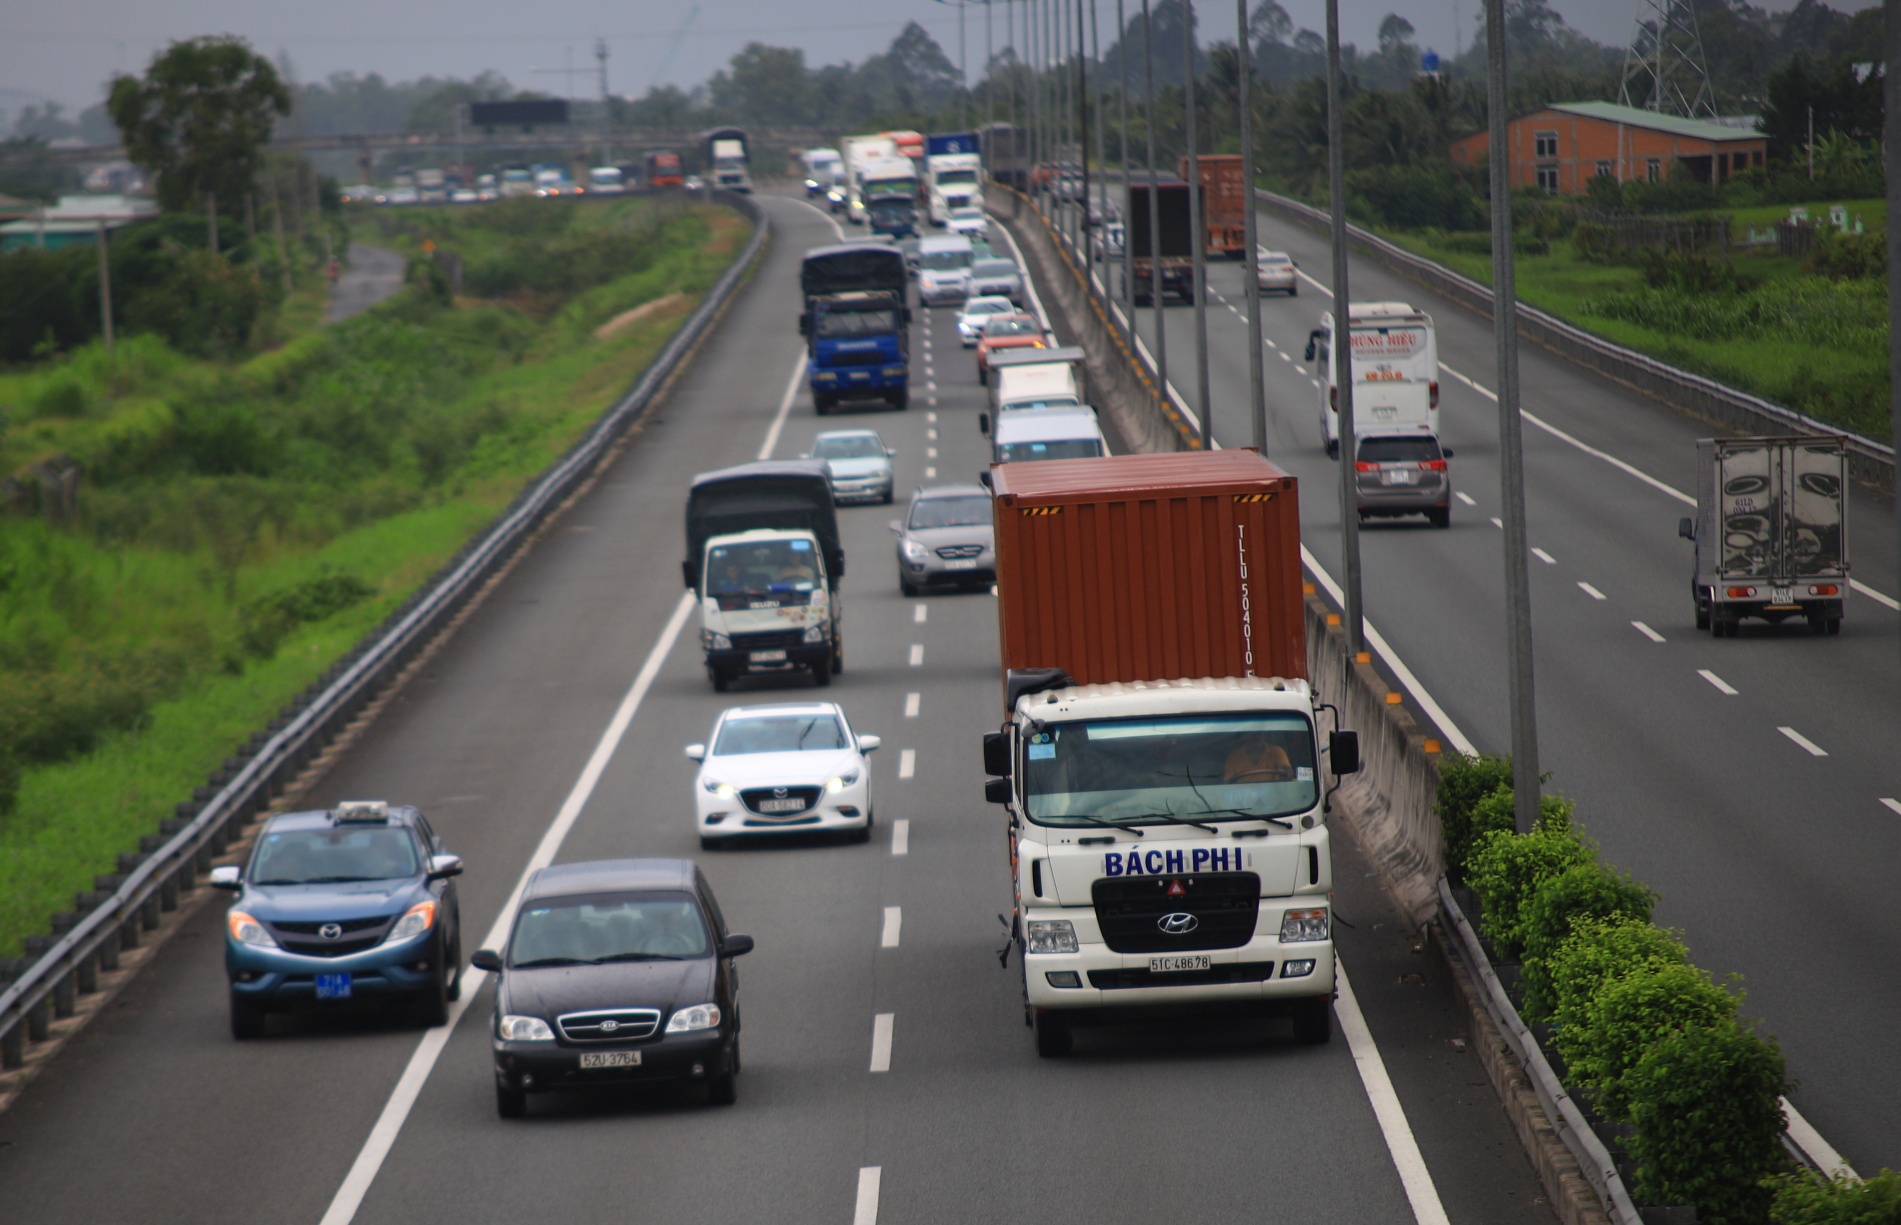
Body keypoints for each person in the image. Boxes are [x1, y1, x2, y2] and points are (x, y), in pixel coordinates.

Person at [1223, 737, 1294, 783]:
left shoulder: (1277, 752)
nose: (1255, 737)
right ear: (1245, 736)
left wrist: (1287, 771)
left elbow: (1286, 770)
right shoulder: (1234, 756)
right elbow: (1228, 782)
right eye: (1251, 734)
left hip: (1272, 797)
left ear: (1264, 734)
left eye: (1258, 733)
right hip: (1243, 799)